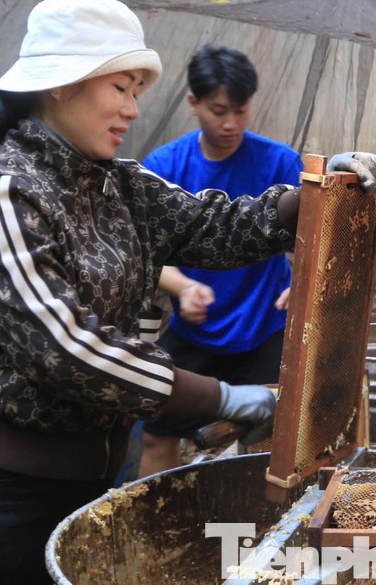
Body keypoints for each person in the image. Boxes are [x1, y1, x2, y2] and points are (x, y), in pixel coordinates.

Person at [0, 0, 376, 585]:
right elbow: (68, 350)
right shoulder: (5, 193)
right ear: (64, 83)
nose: (133, 109)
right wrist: (224, 399)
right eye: (121, 88)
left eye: (136, 91)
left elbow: (225, 229)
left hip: (88, 483)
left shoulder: (125, 186)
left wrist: (319, 193)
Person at [137, 45, 303, 476]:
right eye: (218, 110)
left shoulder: (281, 162)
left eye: (241, 110)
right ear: (193, 104)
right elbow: (143, 252)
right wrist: (182, 287)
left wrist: (300, 281)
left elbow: (314, 240)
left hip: (265, 326)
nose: (230, 123)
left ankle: (263, 533)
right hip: (195, 332)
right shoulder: (163, 167)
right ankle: (158, 529)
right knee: (158, 431)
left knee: (272, 439)